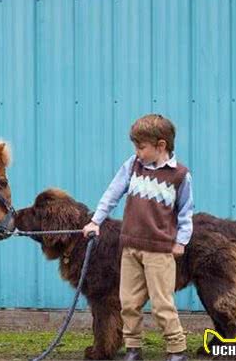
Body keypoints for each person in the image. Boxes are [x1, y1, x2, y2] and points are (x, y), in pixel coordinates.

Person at [83, 114, 193, 361]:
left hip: (159, 251)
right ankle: (133, 349)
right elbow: (113, 193)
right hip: (130, 249)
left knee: (162, 304)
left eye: (141, 147)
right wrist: (95, 221)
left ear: (161, 145)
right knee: (128, 303)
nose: (137, 152)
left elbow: (186, 212)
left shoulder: (179, 176)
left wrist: (181, 241)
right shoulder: (133, 165)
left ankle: (177, 350)